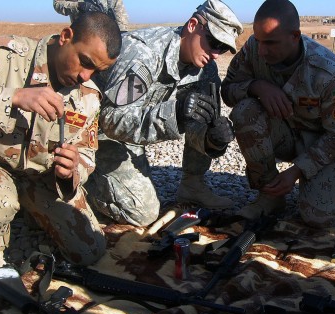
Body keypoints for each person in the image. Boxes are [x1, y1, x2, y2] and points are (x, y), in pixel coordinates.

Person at [0, 12, 122, 274]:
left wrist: (73, 169)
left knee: (90, 251)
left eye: (96, 70)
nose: (86, 76)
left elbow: (87, 152)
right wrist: (12, 98)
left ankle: (29, 209)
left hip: (41, 177)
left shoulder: (88, 96)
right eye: (84, 62)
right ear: (66, 37)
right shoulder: (1, 54)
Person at [88, 0, 242, 227]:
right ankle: (80, 180)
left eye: (222, 48)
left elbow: (201, 121)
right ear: (192, 26)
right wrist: (175, 115)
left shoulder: (204, 67)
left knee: (204, 114)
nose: (216, 54)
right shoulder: (143, 54)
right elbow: (110, 120)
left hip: (132, 133)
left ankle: (193, 184)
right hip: (98, 137)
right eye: (213, 42)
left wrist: (213, 140)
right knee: (143, 213)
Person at [221, 0, 335, 228]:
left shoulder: (329, 72)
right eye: (258, 41)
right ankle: (270, 196)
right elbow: (228, 91)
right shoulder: (254, 48)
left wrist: (297, 171)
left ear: (295, 36)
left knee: (320, 219)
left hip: (319, 143)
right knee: (245, 112)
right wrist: (256, 86)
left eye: (271, 43)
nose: (262, 51)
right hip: (280, 132)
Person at [53, 0, 130, 32]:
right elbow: (57, 4)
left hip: (108, 34)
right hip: (82, 34)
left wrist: (122, 32)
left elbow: (120, 15)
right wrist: (78, 6)